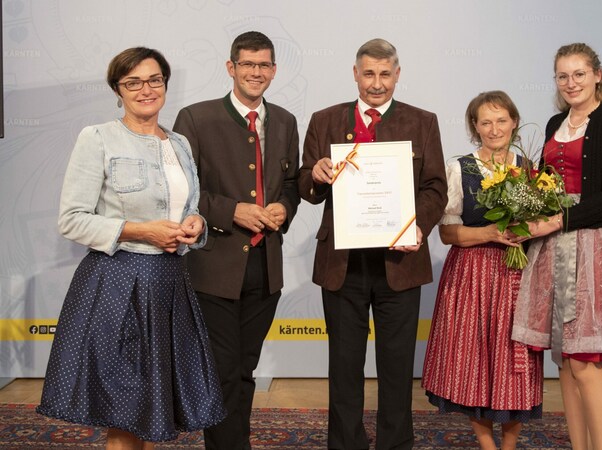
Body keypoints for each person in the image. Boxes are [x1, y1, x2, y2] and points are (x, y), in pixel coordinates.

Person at [37, 47, 225, 449]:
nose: (145, 89)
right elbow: (71, 219)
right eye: (132, 82)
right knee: (126, 411)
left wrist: (197, 223)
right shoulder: (98, 138)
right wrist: (139, 231)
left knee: (154, 409)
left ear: (165, 84)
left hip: (170, 285)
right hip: (117, 286)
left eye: (154, 79)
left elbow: (188, 208)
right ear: (118, 90)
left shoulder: (179, 144)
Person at [299, 38, 447, 450]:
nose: (377, 83)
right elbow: (305, 188)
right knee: (344, 367)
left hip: (400, 263)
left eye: (385, 74)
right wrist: (315, 173)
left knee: (397, 368)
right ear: (355, 74)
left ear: (397, 75)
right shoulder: (324, 119)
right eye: (369, 74)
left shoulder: (423, 121)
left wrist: (418, 225)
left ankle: (395, 445)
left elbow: (436, 188)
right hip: (341, 263)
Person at [172, 31, 300, 450]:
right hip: (215, 270)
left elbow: (292, 184)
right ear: (231, 68)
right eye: (247, 64)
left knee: (245, 369)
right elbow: (182, 192)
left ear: (274, 70)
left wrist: (284, 206)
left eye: (264, 65)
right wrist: (233, 211)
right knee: (223, 371)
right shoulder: (195, 118)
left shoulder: (285, 121)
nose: (255, 72)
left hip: (266, 271)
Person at [511, 43, 602, 450]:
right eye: (563, 76)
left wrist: (556, 219)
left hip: (593, 247)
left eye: (579, 74)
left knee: (585, 362)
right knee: (565, 362)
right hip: (552, 249)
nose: (571, 83)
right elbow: (547, 187)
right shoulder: (554, 123)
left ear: (598, 75)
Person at [421, 91, 544, 450]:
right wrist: (490, 232)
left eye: (501, 120)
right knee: (473, 360)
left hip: (517, 274)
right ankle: (486, 443)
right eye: (485, 122)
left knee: (516, 363)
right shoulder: (460, 167)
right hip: (471, 274)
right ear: (475, 126)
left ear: (514, 122)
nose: (494, 129)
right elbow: (446, 232)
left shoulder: (530, 168)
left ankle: (508, 446)